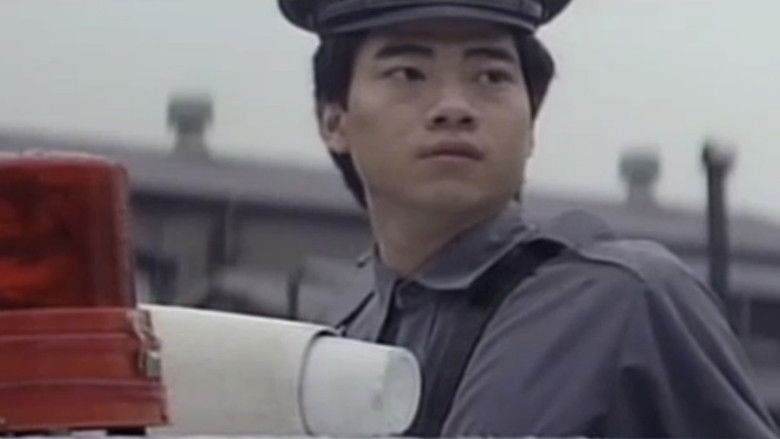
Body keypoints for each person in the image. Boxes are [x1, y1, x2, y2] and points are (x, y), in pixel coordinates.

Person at [278, 1, 779, 437]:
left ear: (532, 123)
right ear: (334, 120)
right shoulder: (339, 331)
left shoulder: (624, 299)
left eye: (490, 77)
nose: (454, 108)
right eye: (408, 73)